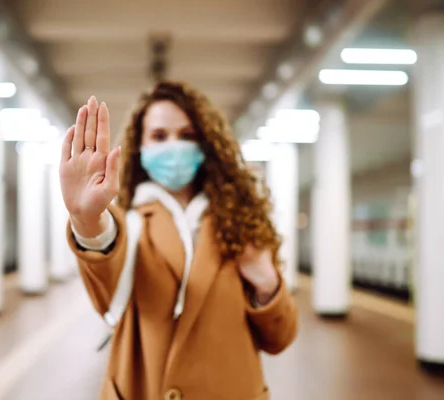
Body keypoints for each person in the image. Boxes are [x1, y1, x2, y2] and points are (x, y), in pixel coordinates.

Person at [60, 81, 298, 400]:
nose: (174, 145)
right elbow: (105, 267)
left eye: (187, 136)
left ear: (206, 145)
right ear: (139, 148)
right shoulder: (128, 221)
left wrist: (267, 283)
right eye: (159, 136)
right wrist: (86, 219)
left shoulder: (242, 223)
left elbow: (280, 338)